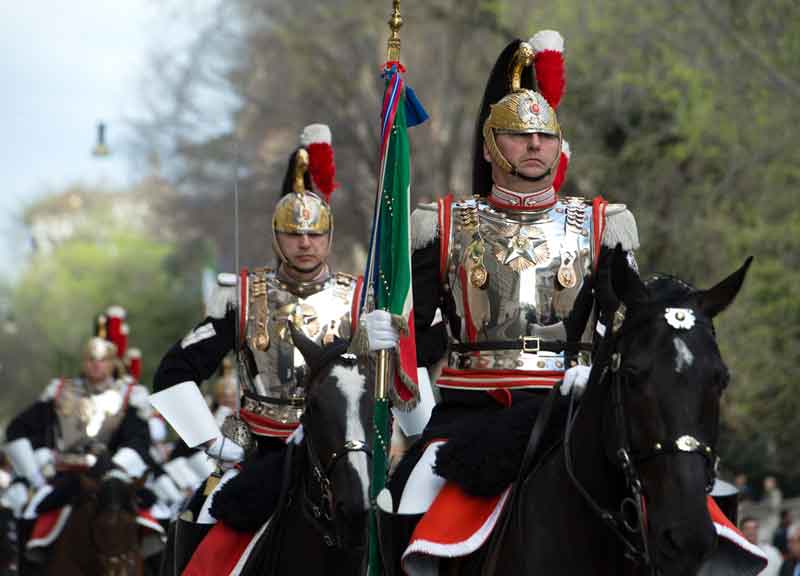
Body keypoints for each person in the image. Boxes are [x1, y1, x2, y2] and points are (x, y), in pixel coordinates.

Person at [377, 29, 639, 571]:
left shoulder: (602, 225)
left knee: (670, 502)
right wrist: (385, 343)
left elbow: (626, 325)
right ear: (492, 143)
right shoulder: (442, 224)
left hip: (572, 409)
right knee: (406, 498)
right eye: (520, 135)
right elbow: (419, 334)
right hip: (472, 413)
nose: (535, 145)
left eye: (544, 134)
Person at [149, 123, 402, 574]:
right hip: (258, 449)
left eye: (314, 234)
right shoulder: (241, 296)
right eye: (293, 234)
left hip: (342, 451)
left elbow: (392, 381)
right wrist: (211, 439)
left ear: (328, 237)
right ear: (276, 236)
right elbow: (174, 371)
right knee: (199, 515)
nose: (305, 243)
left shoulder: (362, 298)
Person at [3, 331, 153, 567]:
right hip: (64, 475)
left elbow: (139, 439)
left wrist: (116, 469)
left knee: (157, 514)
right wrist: (35, 471)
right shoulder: (60, 392)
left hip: (111, 476)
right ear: (83, 362)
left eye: (102, 359)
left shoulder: (129, 397)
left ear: (113, 363)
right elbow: (17, 429)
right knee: (30, 513)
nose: (96, 365)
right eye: (91, 359)